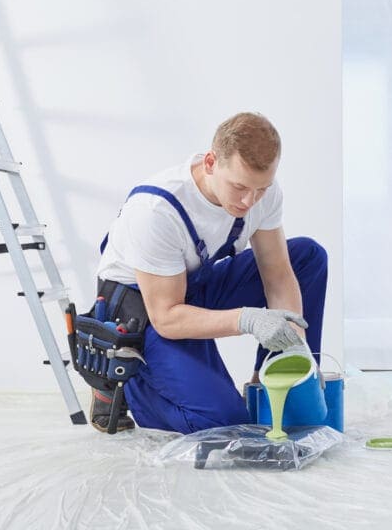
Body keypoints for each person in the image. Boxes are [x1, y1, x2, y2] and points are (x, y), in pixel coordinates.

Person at [91, 112, 328, 434]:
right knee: (223, 425)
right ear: (211, 162)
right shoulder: (156, 211)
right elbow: (168, 317)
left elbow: (278, 275)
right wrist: (247, 319)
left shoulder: (261, 192)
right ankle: (122, 379)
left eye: (261, 189)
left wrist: (296, 346)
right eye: (239, 187)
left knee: (307, 257)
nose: (250, 201)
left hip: (194, 284)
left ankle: (269, 383)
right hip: (143, 310)